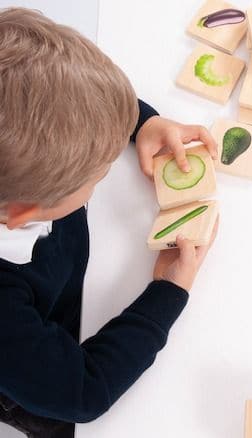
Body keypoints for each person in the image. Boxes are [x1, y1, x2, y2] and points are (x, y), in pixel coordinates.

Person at [0, 7, 218, 437]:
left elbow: (59, 100)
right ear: (24, 211)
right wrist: (167, 293)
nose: (105, 170)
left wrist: (142, 121)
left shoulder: (17, 181)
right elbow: (82, 392)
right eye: (97, 175)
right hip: (30, 373)